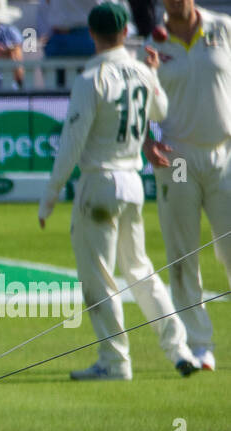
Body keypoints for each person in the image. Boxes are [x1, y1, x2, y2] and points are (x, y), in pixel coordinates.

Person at [39, 2, 200, 379]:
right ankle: (179, 349)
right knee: (140, 270)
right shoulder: (142, 71)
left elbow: (71, 144)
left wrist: (49, 196)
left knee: (98, 276)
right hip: (132, 181)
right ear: (125, 33)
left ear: (92, 35)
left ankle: (114, 360)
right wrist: (153, 74)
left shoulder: (90, 78)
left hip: (100, 183)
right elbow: (160, 111)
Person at [142, 0, 231, 371]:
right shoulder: (154, 42)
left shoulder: (223, 28)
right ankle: (199, 345)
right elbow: (142, 99)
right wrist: (147, 140)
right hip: (176, 158)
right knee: (183, 253)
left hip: (223, 154)